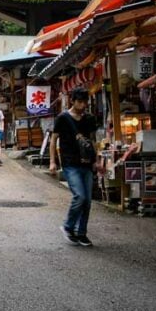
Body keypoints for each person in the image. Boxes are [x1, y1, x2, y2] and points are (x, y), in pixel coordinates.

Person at [49, 88, 99, 246]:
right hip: (70, 163)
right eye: (79, 102)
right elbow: (53, 140)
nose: (82, 105)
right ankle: (68, 226)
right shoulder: (63, 118)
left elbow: (92, 140)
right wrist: (52, 161)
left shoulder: (89, 118)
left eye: (85, 102)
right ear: (72, 101)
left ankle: (81, 233)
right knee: (80, 196)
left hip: (87, 163)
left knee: (88, 201)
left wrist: (96, 160)